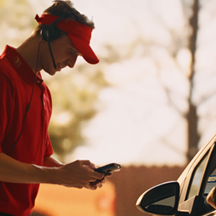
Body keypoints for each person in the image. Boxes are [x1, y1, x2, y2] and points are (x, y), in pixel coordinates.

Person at [0, 1, 107, 215]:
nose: (72, 63)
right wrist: (58, 176)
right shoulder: (3, 77)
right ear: (46, 34)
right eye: (70, 51)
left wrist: (72, 174)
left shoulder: (43, 93)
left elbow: (40, 159)